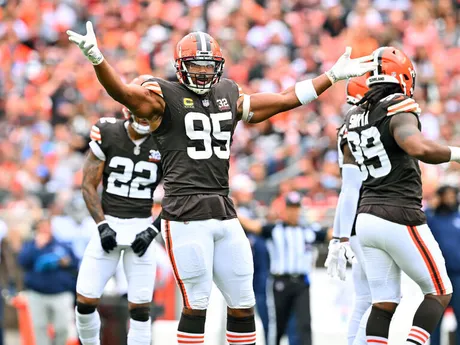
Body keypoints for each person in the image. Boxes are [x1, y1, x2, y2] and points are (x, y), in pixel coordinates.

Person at [66, 21, 377, 345]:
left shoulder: (228, 92)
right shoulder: (164, 95)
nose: (202, 73)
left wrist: (331, 77)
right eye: (195, 66)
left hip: (224, 211)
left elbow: (283, 99)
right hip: (184, 214)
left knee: (243, 305)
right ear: (180, 67)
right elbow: (124, 93)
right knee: (196, 306)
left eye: (208, 67)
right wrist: (98, 60)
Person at [343, 46, 459, 345]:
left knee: (383, 303)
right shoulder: (397, 105)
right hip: (399, 214)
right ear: (403, 75)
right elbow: (419, 148)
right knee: (440, 291)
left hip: (366, 218)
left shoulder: (355, 115)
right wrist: (457, 154)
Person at [75, 75, 163, 345]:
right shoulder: (108, 131)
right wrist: (102, 225)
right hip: (109, 222)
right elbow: (88, 185)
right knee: (85, 302)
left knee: (140, 310)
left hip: (141, 227)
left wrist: (152, 229)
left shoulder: (166, 142)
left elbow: (179, 193)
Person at [238, 191, 328, 345]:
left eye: (296, 208)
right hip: (280, 283)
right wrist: (231, 210)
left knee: (304, 324)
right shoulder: (275, 229)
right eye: (291, 208)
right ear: (285, 210)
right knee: (277, 326)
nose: (294, 212)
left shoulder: (309, 230)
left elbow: (330, 234)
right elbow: (253, 225)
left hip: (301, 283)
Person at [325, 75, 371, 345]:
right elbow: (351, 186)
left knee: (365, 298)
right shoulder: (358, 128)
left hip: (358, 218)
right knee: (383, 298)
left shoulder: (349, 126)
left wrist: (340, 235)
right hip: (367, 215)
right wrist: (340, 236)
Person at [17, 215, 79, 345]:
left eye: (47, 226)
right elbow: (22, 262)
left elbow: (75, 263)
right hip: (37, 294)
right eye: (42, 227)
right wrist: (36, 247)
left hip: (60, 293)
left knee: (62, 327)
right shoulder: (31, 245)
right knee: (39, 328)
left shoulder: (62, 245)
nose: (45, 230)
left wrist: (66, 263)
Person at [426, 185, 460, 345]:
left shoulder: (458, 217)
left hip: (458, 275)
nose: (450, 199)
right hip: (437, 276)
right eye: (446, 196)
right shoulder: (431, 218)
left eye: (452, 196)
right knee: (434, 318)